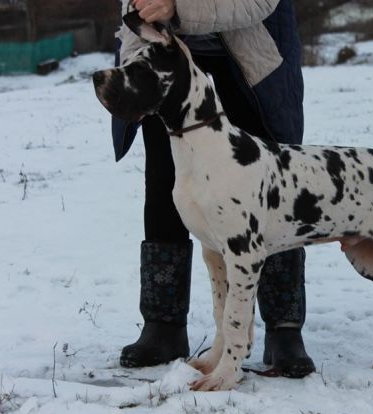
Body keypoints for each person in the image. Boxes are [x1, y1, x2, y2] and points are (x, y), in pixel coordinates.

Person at [111, 0, 316, 378]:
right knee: (165, 183)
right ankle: (164, 324)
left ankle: (283, 327)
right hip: (166, 59)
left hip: (253, 56)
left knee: (272, 191)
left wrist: (177, 6)